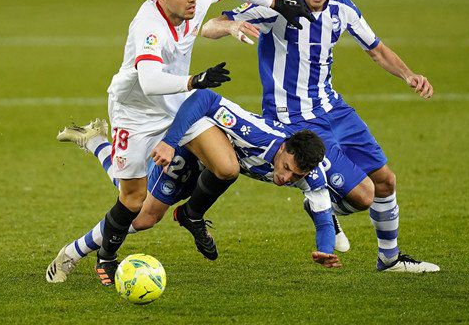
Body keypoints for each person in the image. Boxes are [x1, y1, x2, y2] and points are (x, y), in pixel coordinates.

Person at [51, 0, 315, 285]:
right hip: (135, 112)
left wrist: (277, 4)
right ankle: (89, 249)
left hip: (177, 103)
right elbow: (148, 81)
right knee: (133, 198)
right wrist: (194, 80)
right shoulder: (149, 26)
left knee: (225, 167)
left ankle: (191, 215)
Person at [200, 0, 439, 273]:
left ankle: (389, 260)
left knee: (386, 180)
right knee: (364, 195)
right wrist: (232, 27)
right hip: (296, 119)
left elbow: (377, 50)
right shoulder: (277, 5)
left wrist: (409, 75)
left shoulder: (343, 9)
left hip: (334, 109)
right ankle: (319, 206)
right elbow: (210, 26)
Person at [46, 89, 346, 285]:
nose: (286, 179)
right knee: (141, 212)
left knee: (135, 194)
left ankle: (96, 141)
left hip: (209, 169)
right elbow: (204, 98)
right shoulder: (255, 134)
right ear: (284, 148)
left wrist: (322, 251)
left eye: (295, 177)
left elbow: (322, 220)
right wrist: (171, 140)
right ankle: (69, 255)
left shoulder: (310, 174)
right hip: (189, 146)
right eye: (286, 169)